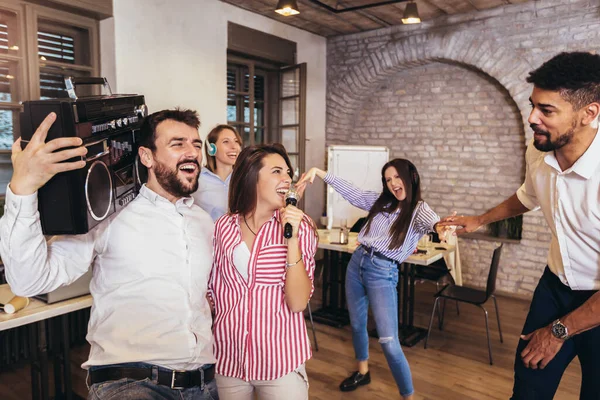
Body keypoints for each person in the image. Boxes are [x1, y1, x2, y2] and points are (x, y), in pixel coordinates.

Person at [0, 109, 218, 400]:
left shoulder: (204, 222)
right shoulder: (108, 215)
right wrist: (24, 188)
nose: (192, 153)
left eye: (196, 144)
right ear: (147, 156)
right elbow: (29, 281)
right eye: (178, 144)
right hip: (131, 383)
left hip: (204, 384)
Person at [437, 52, 600, 400]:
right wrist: (479, 219)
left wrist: (557, 332)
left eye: (547, 110)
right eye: (533, 105)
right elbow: (528, 196)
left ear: (589, 113)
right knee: (527, 390)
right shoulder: (539, 152)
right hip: (555, 288)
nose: (532, 118)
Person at [297, 159, 450, 400]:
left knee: (389, 341)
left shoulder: (418, 209)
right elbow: (353, 192)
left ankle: (408, 396)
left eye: (397, 177)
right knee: (357, 324)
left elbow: (435, 222)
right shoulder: (382, 203)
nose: (393, 183)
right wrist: (319, 172)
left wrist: (441, 228)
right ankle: (363, 371)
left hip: (383, 271)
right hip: (358, 262)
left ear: (410, 177)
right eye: (388, 180)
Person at [209, 143, 317, 400]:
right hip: (228, 359)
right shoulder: (223, 227)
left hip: (280, 363)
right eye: (277, 171)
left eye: (288, 172)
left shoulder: (301, 228)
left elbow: (298, 302)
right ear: (251, 177)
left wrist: (290, 239)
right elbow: (213, 289)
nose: (287, 178)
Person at [193, 125, 242, 221]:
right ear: (212, 148)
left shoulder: (244, 178)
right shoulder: (197, 178)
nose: (234, 147)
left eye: (236, 141)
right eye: (226, 142)